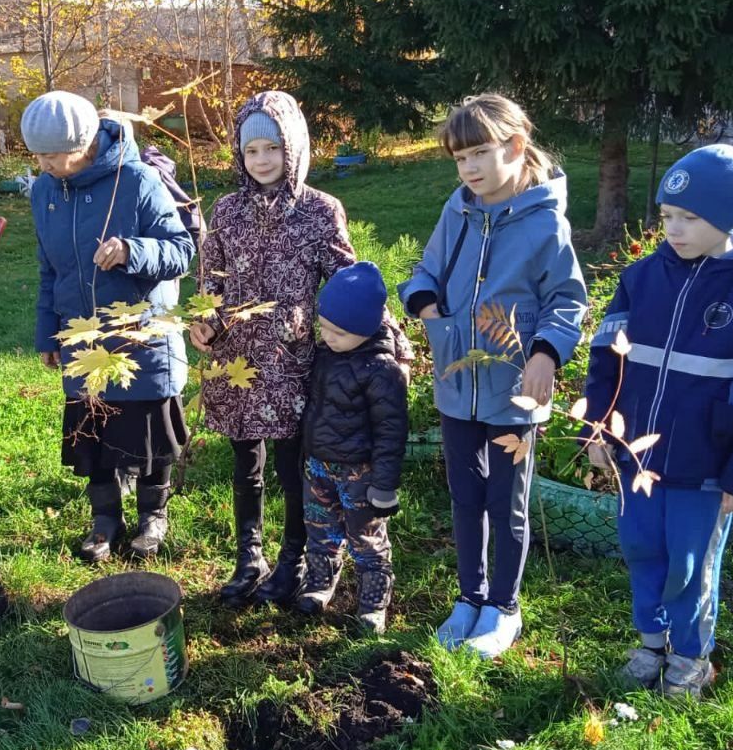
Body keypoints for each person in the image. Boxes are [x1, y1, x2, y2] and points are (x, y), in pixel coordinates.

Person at [582, 144, 733, 697]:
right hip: (639, 461)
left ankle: (691, 657)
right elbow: (606, 361)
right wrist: (600, 428)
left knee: (691, 564)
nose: (673, 229)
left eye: (689, 219)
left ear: (728, 218)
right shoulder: (642, 278)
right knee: (640, 546)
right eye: (668, 217)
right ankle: (652, 643)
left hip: (707, 466)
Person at [191, 90, 413, 608]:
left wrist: (392, 343)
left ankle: (293, 557)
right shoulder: (224, 213)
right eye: (251, 151)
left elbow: (349, 282)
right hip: (235, 358)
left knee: (293, 466)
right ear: (239, 156)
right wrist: (203, 322)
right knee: (246, 462)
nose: (262, 159)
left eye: (272, 147)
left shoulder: (319, 211)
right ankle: (250, 555)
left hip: (290, 361)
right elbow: (210, 286)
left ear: (292, 148)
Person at [399, 93, 587, 658]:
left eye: (479, 153)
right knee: (465, 496)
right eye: (460, 158)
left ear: (515, 146)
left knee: (507, 503)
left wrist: (545, 356)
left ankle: (504, 607)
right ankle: (470, 597)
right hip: (458, 387)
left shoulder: (545, 223)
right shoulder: (456, 211)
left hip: (514, 395)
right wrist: (429, 310)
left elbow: (566, 300)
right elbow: (425, 271)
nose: (470, 169)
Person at [23, 91, 195, 561]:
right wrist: (47, 333)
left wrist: (130, 251)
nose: (45, 165)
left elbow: (181, 250)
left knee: (148, 431)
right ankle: (105, 518)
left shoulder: (136, 181)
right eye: (37, 156)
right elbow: (48, 269)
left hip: (140, 330)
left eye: (53, 155)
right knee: (92, 430)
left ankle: (151, 516)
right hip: (81, 332)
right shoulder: (44, 191)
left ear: (84, 143)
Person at [295, 262, 409, 632]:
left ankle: (373, 602)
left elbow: (392, 431)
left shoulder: (381, 371)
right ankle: (319, 584)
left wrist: (385, 485)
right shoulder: (327, 355)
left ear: (366, 327)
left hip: (360, 472)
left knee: (366, 537)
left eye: (338, 332)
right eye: (323, 327)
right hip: (319, 466)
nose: (327, 337)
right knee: (320, 528)